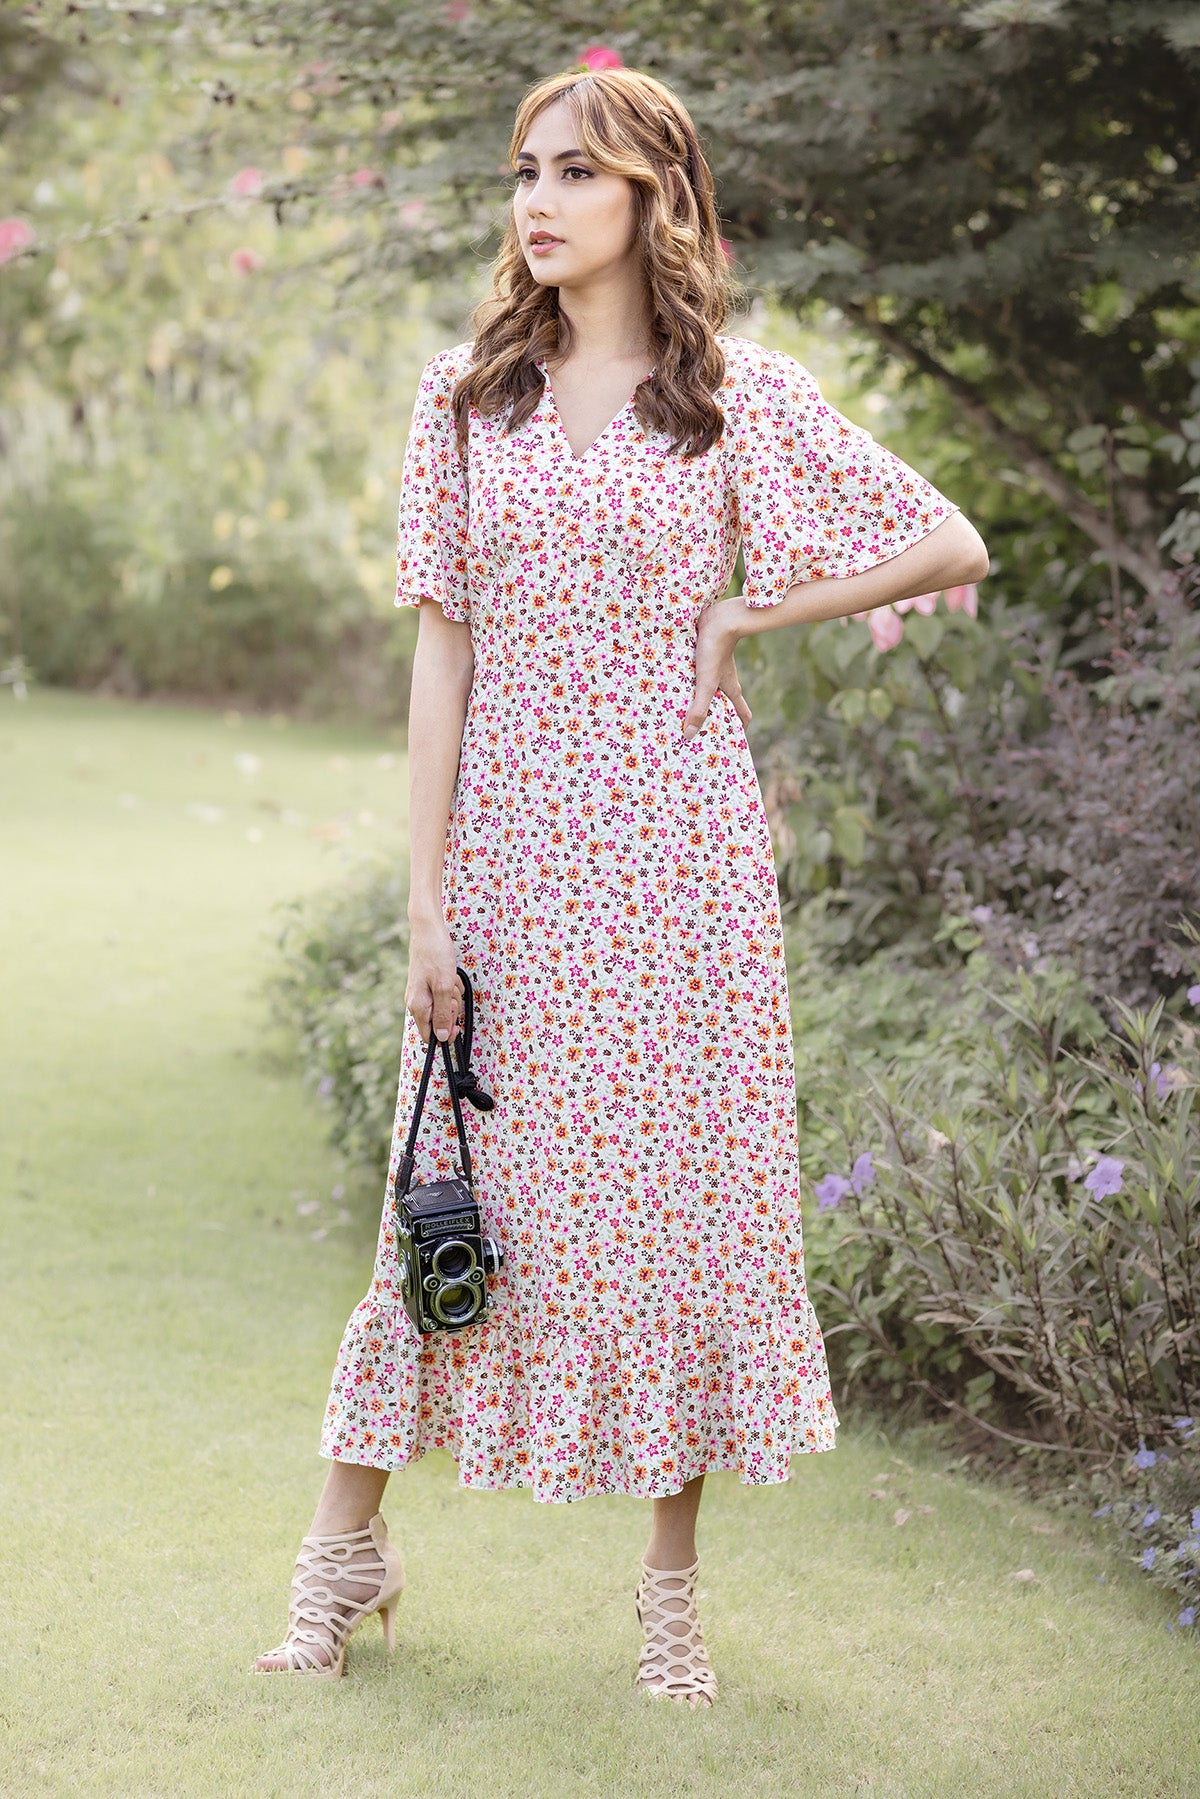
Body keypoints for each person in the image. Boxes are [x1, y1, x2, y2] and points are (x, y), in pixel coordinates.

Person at [254, 63, 989, 1703]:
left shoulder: (735, 399)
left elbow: (948, 540)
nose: (540, 199)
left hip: (681, 872)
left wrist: (754, 612)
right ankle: (340, 1563)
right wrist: (427, 900)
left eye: (577, 172)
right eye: (526, 170)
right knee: (447, 1197)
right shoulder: (466, 398)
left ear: (655, 195)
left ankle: (669, 1607)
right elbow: (442, 659)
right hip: (510, 862)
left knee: (678, 1218)